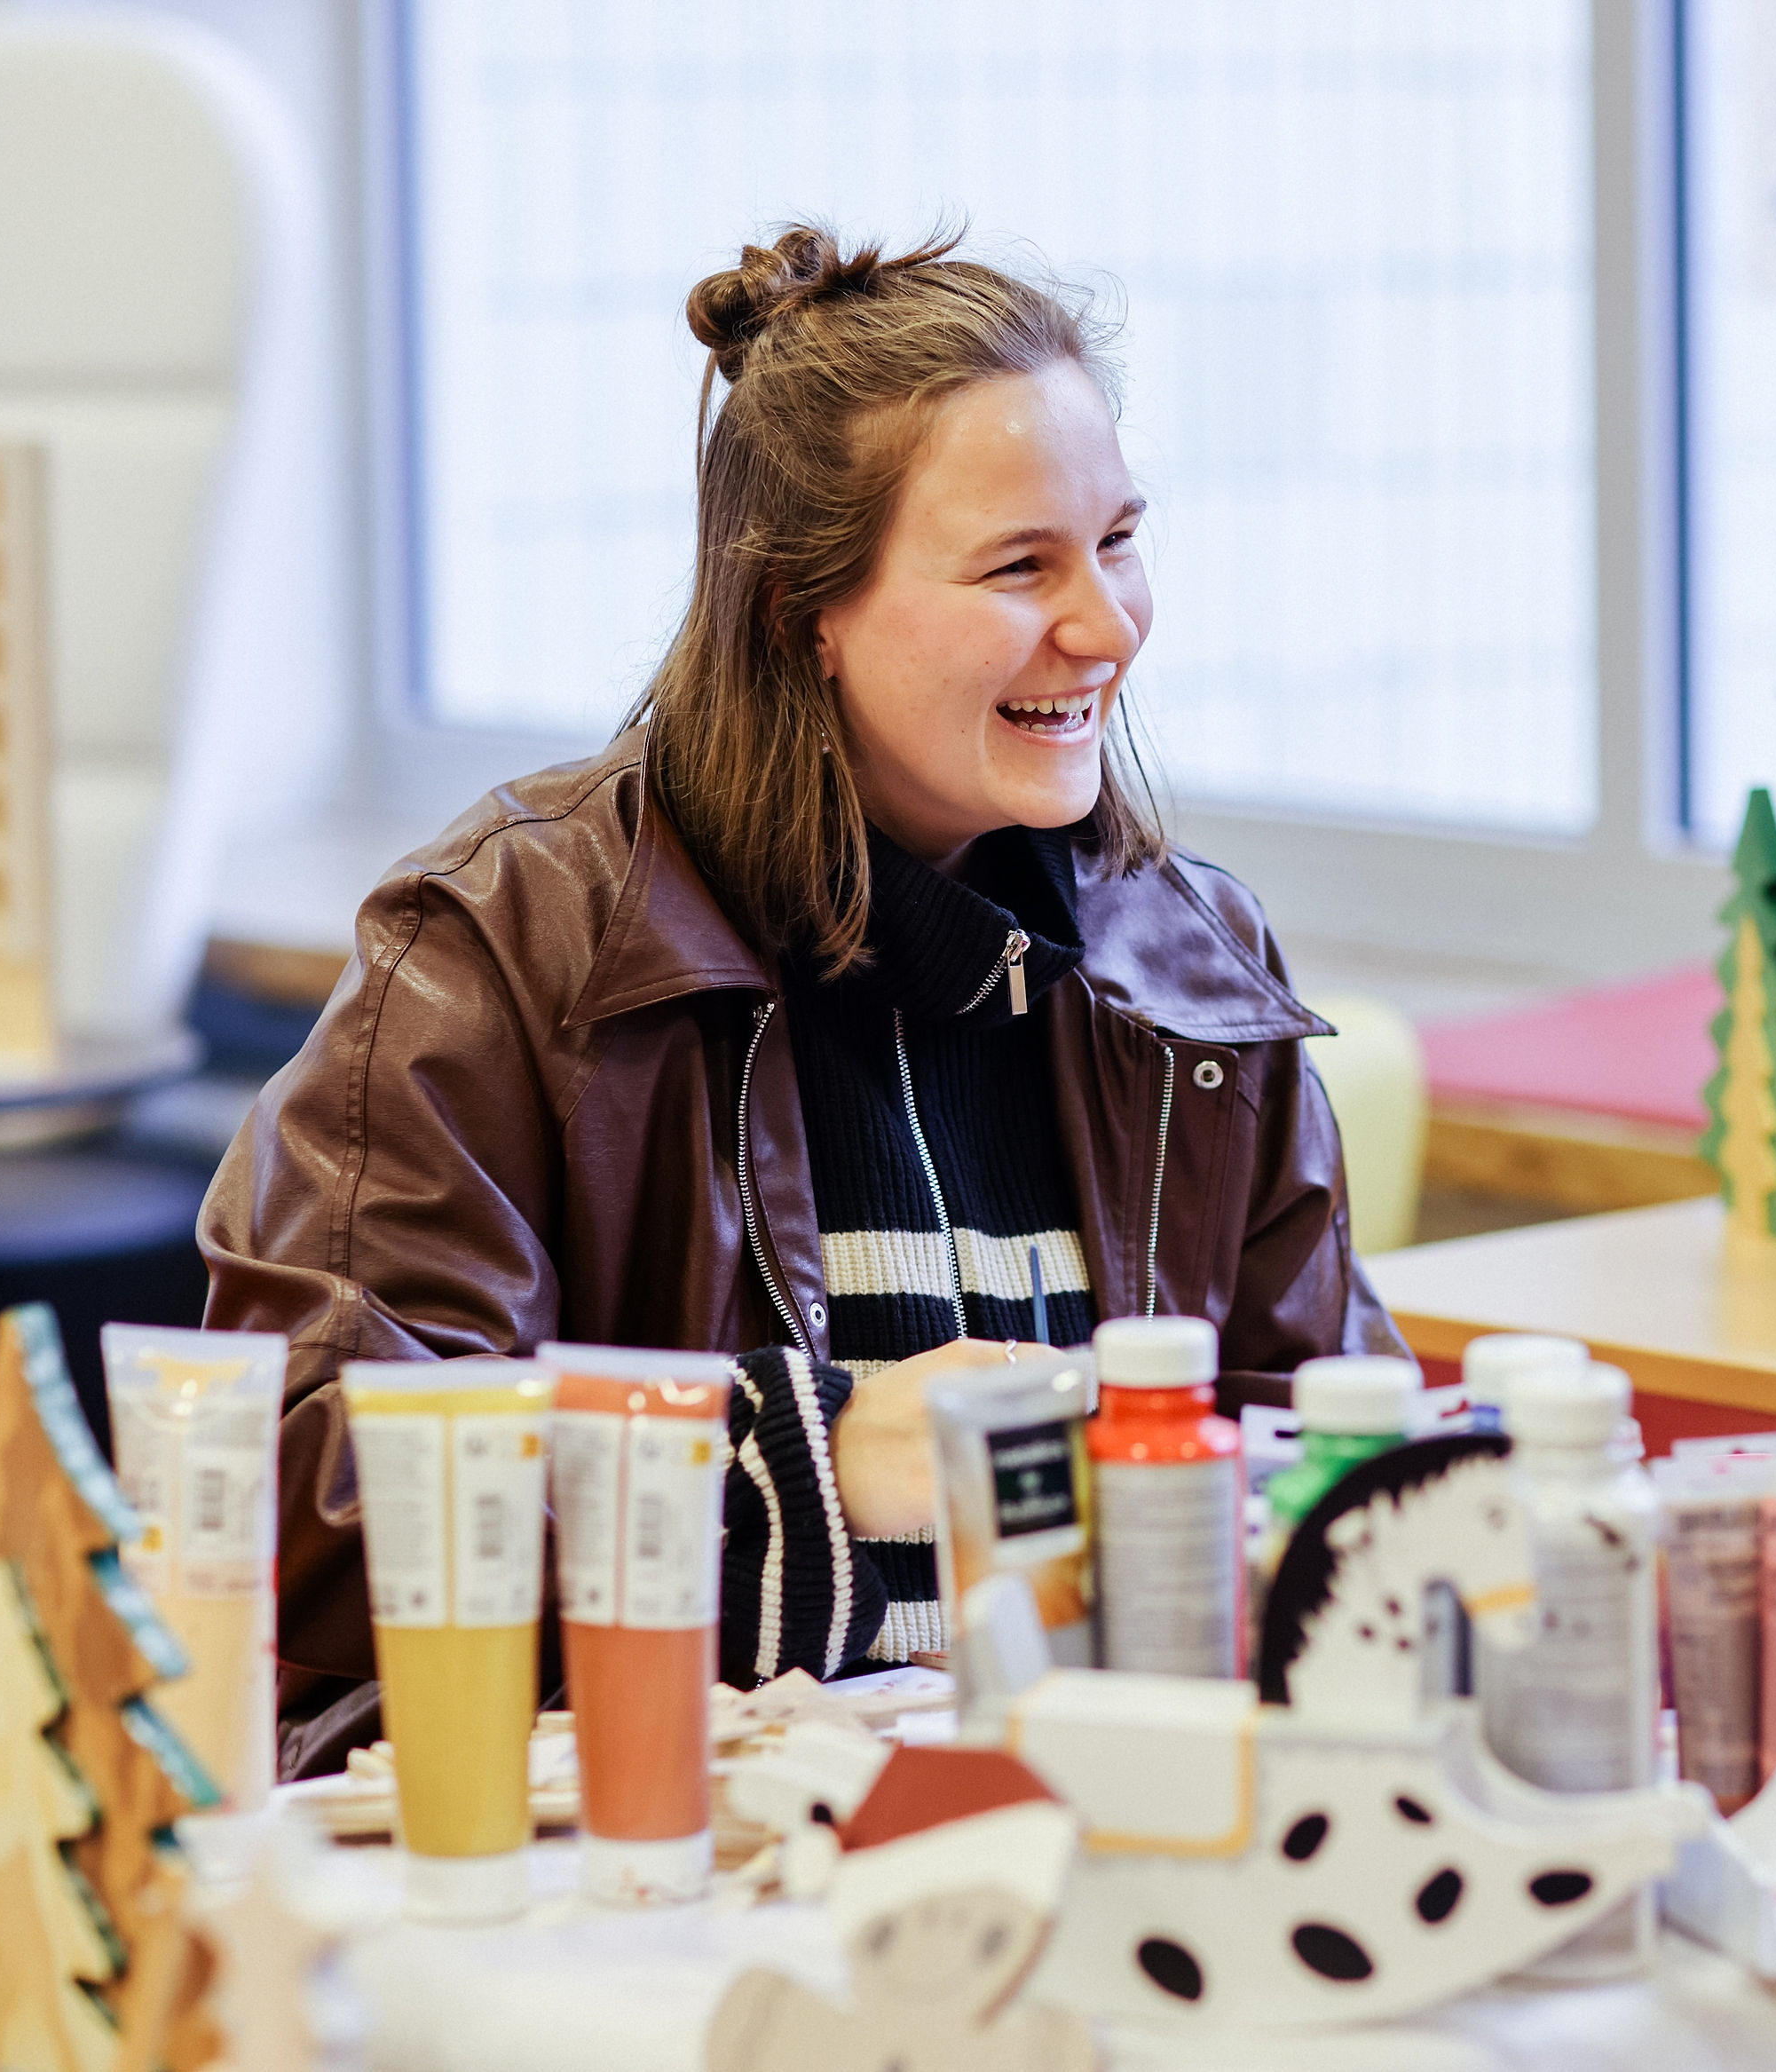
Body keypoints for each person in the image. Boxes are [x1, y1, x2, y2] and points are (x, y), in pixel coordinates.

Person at [202, 230, 1402, 1775]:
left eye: (1118, 541)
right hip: (653, 1849)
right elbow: (318, 1484)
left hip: (1089, 1825)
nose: (1108, 625)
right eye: (1020, 566)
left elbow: (1330, 1462)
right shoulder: (510, 935)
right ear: (797, 613)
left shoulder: (1189, 965)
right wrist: (812, 1449)